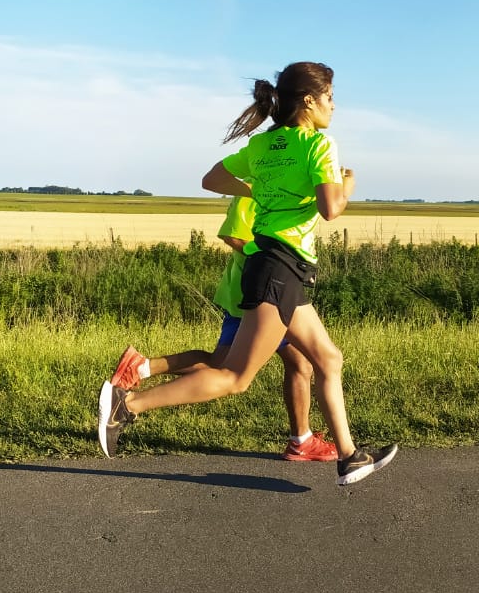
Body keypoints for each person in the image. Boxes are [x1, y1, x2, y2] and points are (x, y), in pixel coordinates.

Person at [98, 61, 397, 486]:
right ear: (309, 101)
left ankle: (348, 456)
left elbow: (212, 178)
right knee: (234, 377)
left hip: (274, 266)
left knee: (329, 359)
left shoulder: (262, 147)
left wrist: (255, 188)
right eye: (330, 96)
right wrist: (347, 187)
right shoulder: (319, 146)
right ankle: (128, 405)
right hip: (282, 268)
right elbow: (331, 210)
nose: (334, 105)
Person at [108, 195, 337, 462]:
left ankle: (141, 367)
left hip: (265, 291)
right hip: (261, 295)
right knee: (239, 372)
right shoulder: (254, 191)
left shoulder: (272, 186)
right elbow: (234, 236)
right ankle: (132, 397)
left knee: (268, 364)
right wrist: (277, 261)